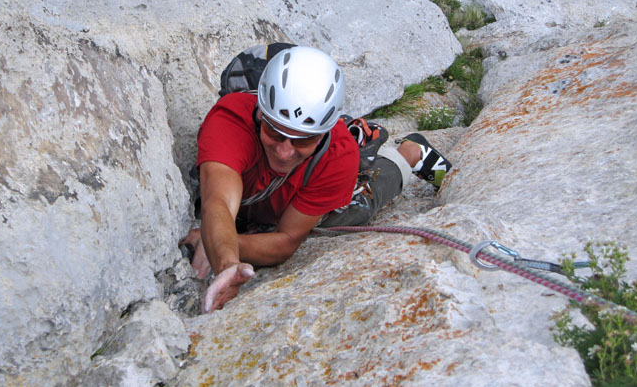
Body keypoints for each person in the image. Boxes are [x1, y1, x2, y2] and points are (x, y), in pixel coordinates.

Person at [181, 45, 451, 313]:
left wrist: (218, 240)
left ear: (323, 134)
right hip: (262, 201)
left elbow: (286, 240)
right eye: (275, 132)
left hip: (306, 192)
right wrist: (227, 260)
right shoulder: (231, 118)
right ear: (261, 112)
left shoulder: (337, 155)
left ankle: (411, 153)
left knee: (361, 205)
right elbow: (218, 202)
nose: (285, 151)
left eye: (304, 140)